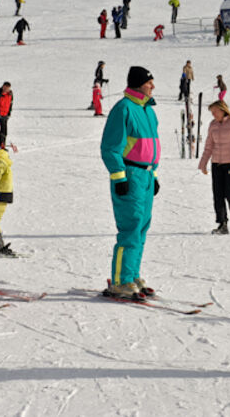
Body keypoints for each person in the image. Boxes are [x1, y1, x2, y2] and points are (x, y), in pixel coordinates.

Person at [100, 66, 161, 300]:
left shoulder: (148, 111)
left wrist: (154, 175)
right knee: (131, 227)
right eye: (149, 82)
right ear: (137, 84)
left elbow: (151, 147)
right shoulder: (123, 108)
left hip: (146, 175)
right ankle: (120, 281)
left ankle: (132, 274)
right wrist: (119, 176)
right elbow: (110, 147)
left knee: (142, 227)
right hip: (130, 175)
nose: (152, 86)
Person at [198, 100, 230, 234]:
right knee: (218, 194)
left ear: (222, 109)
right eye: (212, 112)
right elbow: (209, 146)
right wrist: (203, 163)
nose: (213, 115)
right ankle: (222, 224)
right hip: (217, 164)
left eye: (215, 111)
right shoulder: (213, 125)